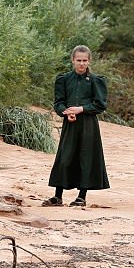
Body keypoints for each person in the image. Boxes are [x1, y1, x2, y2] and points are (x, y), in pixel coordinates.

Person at [42, 46, 110, 207]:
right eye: (78, 60)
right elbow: (59, 103)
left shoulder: (96, 80)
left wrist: (81, 109)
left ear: (89, 61)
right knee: (65, 158)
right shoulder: (63, 79)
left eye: (84, 60)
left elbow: (100, 105)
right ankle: (57, 196)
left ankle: (82, 196)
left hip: (88, 126)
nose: (81, 64)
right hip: (70, 124)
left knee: (86, 158)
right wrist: (66, 112)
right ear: (72, 60)